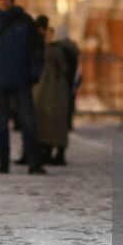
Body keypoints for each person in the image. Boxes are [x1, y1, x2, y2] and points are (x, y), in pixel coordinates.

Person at [0, 0, 45, 175]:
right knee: (2, 124)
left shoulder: (25, 21)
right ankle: (3, 162)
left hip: (22, 79)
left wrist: (34, 72)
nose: (4, 2)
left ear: (12, 1)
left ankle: (34, 162)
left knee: (28, 122)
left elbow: (36, 49)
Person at [34, 20, 76, 167]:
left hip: (55, 89)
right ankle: (53, 151)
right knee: (53, 122)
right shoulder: (68, 49)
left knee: (54, 122)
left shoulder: (57, 50)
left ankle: (55, 152)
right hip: (56, 90)